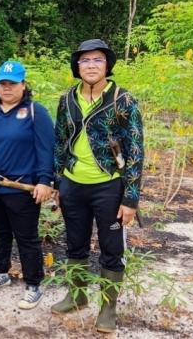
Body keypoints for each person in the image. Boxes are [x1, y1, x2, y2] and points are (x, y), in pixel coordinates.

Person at [50, 39, 144, 333]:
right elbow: (59, 142)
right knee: (75, 243)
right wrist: (58, 181)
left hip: (109, 186)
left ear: (107, 66)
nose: (91, 65)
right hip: (73, 184)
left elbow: (136, 150)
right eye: (85, 60)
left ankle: (107, 306)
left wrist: (130, 199)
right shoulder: (67, 100)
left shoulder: (122, 100)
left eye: (97, 60)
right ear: (77, 67)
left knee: (111, 248)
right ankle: (77, 296)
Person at [0, 60, 54, 310]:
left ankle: (33, 284)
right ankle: (1, 272)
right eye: (2, 83)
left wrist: (44, 181)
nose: (7, 88)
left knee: (26, 237)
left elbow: (46, 149)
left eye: (12, 83)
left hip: (22, 189)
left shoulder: (35, 112)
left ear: (23, 85)